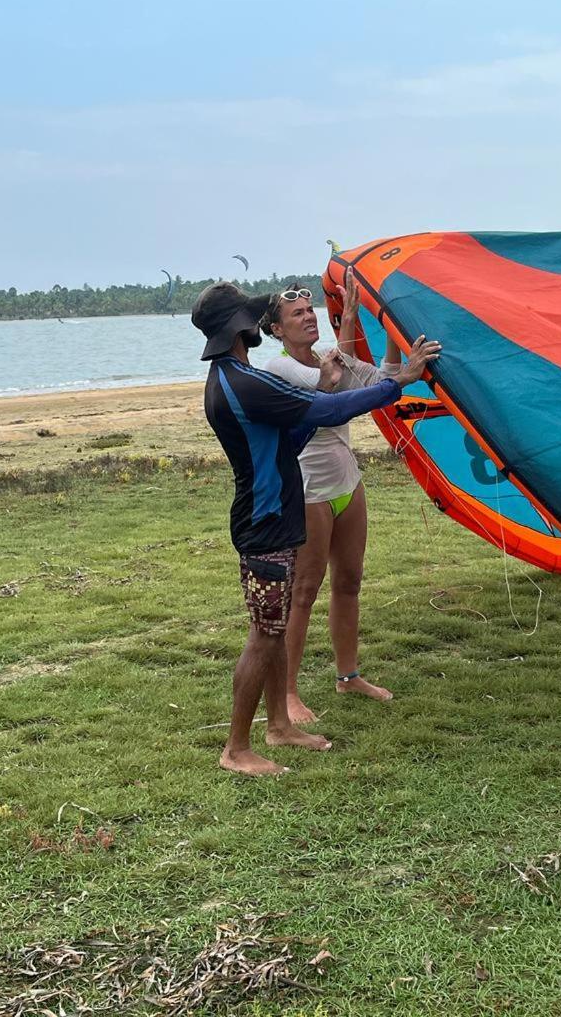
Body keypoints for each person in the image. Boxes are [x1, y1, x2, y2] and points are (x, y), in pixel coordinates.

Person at [193, 280, 439, 776]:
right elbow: (327, 413)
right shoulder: (246, 381)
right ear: (243, 328)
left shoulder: (234, 375)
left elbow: (298, 431)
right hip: (265, 521)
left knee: (276, 624)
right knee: (264, 634)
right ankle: (236, 749)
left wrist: (329, 385)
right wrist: (402, 380)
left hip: (276, 513)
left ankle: (280, 726)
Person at [262, 272, 432, 723]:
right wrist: (355, 339)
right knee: (303, 592)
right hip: (307, 489)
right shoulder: (281, 369)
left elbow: (375, 380)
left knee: (350, 583)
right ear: (277, 330)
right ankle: (288, 693)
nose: (306, 317)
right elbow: (336, 388)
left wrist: (384, 333)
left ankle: (347, 675)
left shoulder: (323, 357)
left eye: (309, 310)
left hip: (346, 483)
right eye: (295, 314)